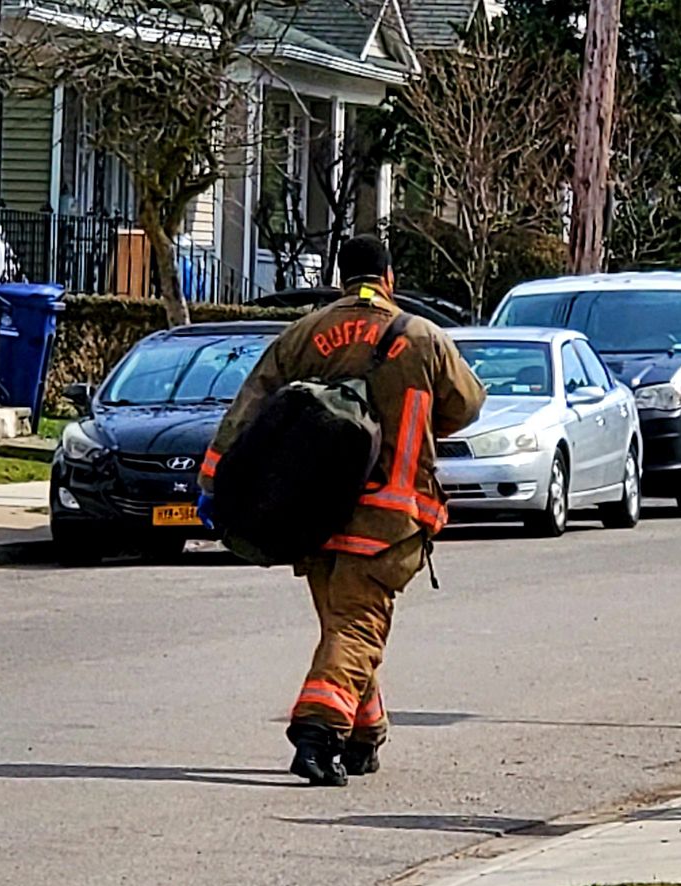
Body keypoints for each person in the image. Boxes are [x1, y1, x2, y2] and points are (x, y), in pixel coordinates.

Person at [195, 235, 485, 786]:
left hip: (312, 514)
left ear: (339, 275)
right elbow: (466, 404)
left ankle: (364, 735)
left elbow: (246, 412)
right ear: (390, 278)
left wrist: (214, 484)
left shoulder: (303, 334)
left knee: (343, 627)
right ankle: (318, 731)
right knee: (356, 629)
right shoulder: (422, 337)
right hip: (389, 518)